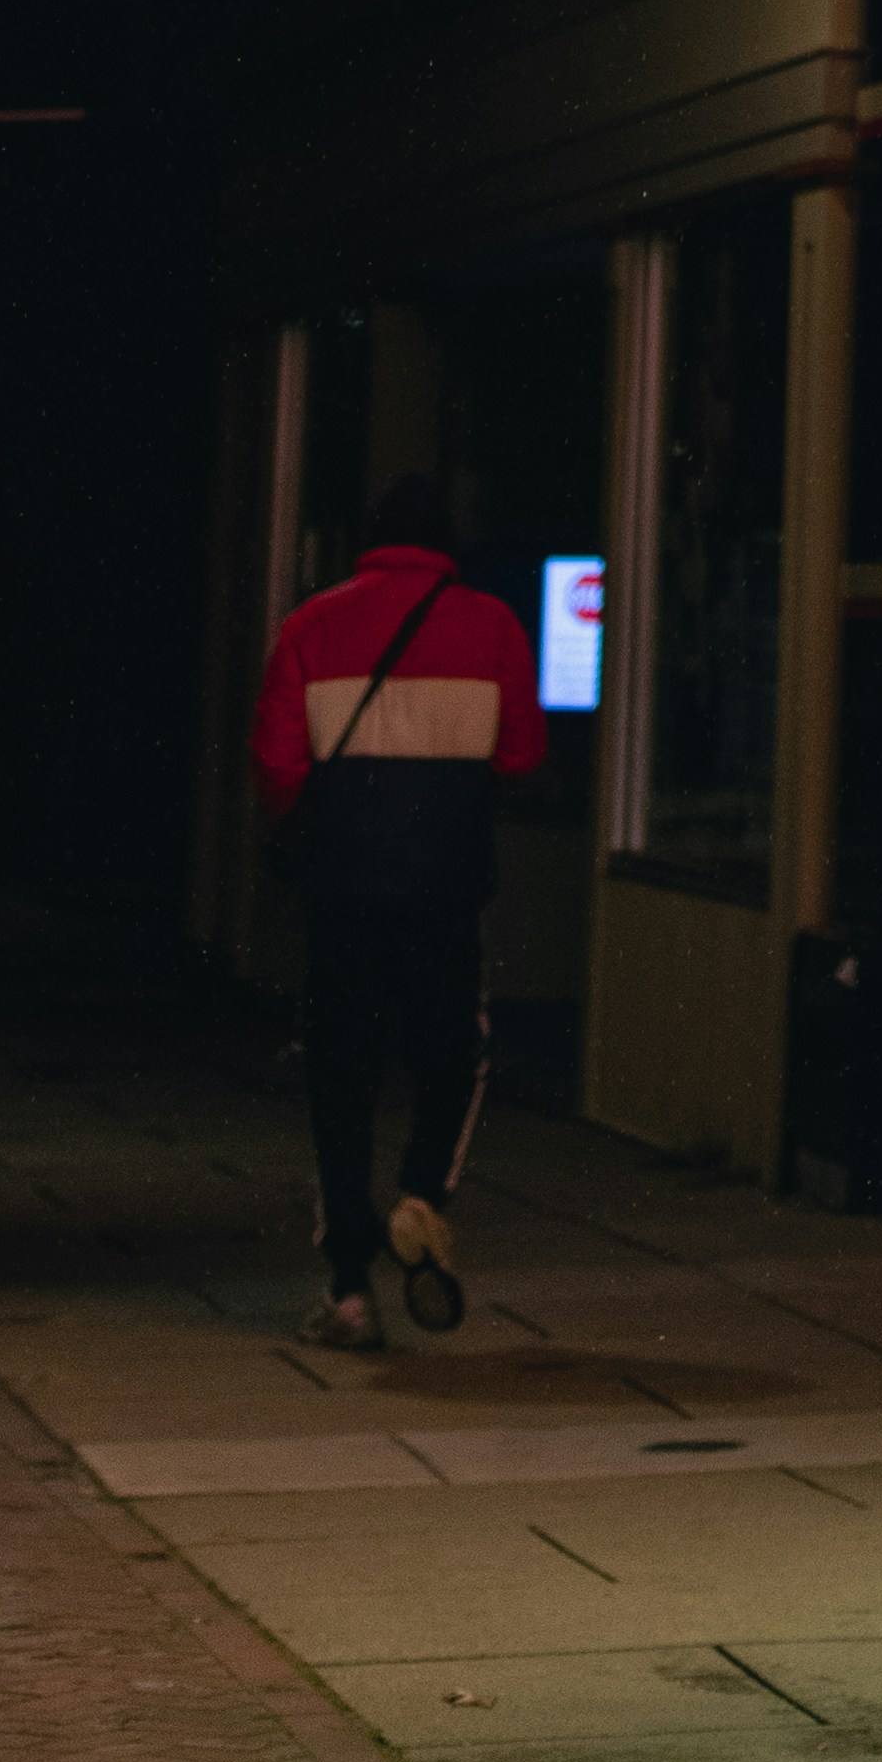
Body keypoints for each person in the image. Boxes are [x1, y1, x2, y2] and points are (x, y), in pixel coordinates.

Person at [249, 476, 542, 1351]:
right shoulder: (492, 625)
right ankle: (422, 1193)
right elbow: (523, 754)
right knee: (457, 1051)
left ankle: (347, 1291)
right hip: (446, 887)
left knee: (340, 1077)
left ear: (367, 539)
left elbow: (276, 763)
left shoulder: (309, 625)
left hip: (342, 892)